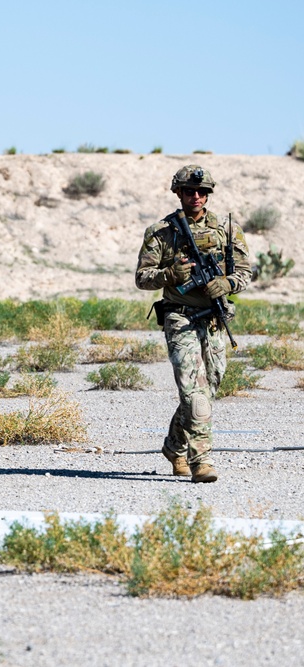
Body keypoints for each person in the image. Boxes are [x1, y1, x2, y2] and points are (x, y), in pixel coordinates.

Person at [136, 165, 251, 483]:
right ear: (178, 192)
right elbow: (142, 278)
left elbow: (244, 271)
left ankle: (174, 447)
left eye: (202, 192)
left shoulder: (227, 230)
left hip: (214, 318)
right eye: (189, 191)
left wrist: (227, 284)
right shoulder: (162, 232)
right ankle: (201, 460)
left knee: (207, 388)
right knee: (193, 391)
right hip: (180, 316)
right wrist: (170, 275)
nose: (196, 196)